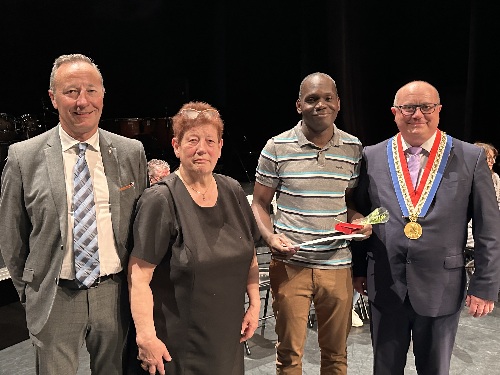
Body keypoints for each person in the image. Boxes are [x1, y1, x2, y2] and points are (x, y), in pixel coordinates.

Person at [0, 53, 148, 374]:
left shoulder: (129, 152)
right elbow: (12, 237)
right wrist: (31, 291)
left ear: (103, 95)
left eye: (91, 91)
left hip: (115, 295)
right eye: (71, 92)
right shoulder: (24, 157)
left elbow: (140, 226)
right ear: (53, 98)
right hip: (55, 297)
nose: (83, 102)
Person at [352, 80, 500, 375]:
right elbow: (365, 216)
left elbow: (488, 228)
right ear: (395, 112)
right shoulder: (372, 155)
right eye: (408, 107)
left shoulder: (470, 158)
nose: (416, 114)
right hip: (384, 282)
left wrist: (485, 285)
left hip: (441, 287)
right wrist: (358, 269)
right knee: (385, 369)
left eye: (426, 107)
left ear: (439, 110)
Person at [127, 101, 261, 375]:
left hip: (227, 338)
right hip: (179, 345)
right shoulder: (161, 200)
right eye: (193, 141)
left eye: (210, 141)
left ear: (221, 146)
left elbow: (250, 254)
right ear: (176, 146)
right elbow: (139, 277)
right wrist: (146, 337)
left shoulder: (233, 190)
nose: (202, 149)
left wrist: (254, 303)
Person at [251, 72, 372, 374]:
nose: (321, 104)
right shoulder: (277, 147)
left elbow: (349, 204)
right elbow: (260, 204)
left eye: (327, 98)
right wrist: (269, 237)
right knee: (289, 355)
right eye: (312, 99)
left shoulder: (353, 148)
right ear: (298, 105)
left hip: (338, 266)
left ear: (338, 103)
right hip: (291, 266)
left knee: (336, 355)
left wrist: (361, 222)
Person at [467, 142, 500, 248]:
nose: (493, 161)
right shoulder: (466, 177)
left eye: (493, 158)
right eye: (489, 158)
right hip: (470, 225)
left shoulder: (495, 177)